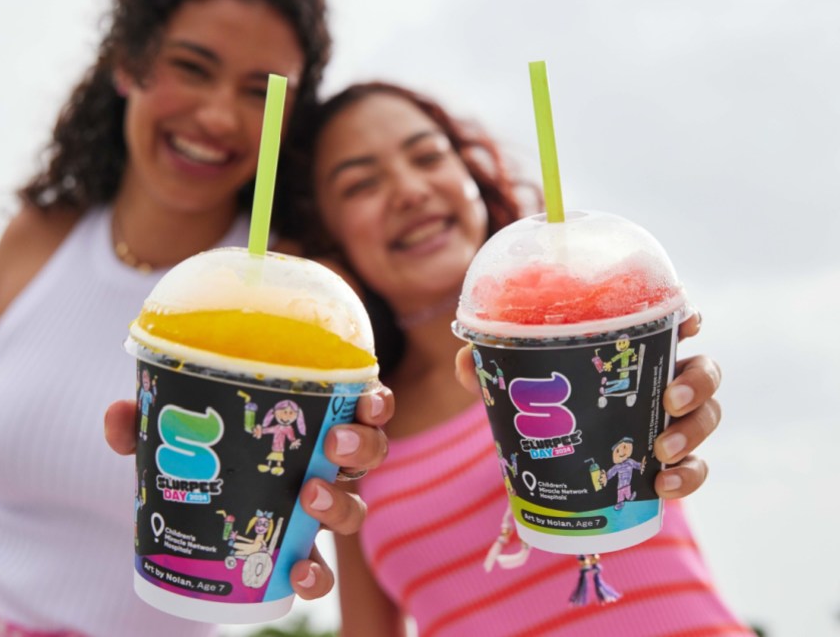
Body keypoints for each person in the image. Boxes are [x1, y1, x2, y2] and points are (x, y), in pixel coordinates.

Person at [0, 0, 391, 635]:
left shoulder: (309, 308)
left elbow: (359, 561)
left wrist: (342, 471)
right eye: (192, 67)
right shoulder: (39, 235)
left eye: (260, 90)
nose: (219, 115)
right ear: (129, 63)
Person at [292, 82, 755, 636]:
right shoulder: (357, 427)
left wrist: (674, 403)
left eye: (428, 156)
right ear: (330, 234)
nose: (409, 190)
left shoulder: (596, 334)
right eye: (361, 184)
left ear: (472, 179)